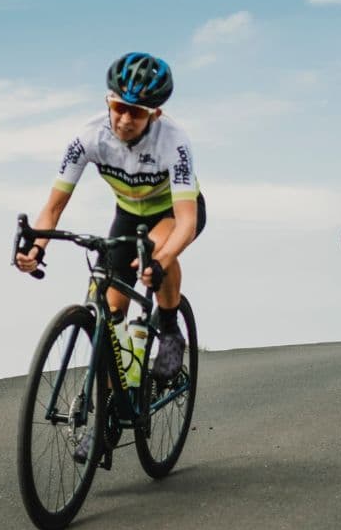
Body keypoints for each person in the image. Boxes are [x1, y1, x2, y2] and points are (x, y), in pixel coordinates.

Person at [15, 52, 205, 384]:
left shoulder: (174, 142)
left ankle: (171, 330)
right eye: (119, 108)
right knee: (111, 312)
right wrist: (38, 247)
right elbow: (53, 207)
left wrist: (161, 262)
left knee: (157, 253)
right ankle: (118, 393)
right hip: (129, 215)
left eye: (136, 112)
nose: (125, 119)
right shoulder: (89, 137)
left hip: (172, 213)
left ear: (155, 113)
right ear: (109, 101)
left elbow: (186, 222)